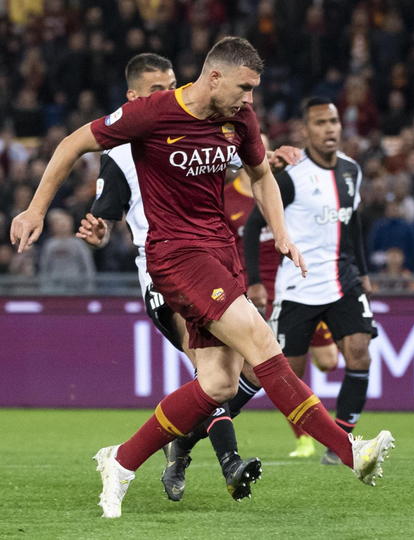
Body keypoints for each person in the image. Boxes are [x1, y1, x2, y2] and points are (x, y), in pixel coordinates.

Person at [10, 37, 394, 520]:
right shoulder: (152, 114)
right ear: (214, 77)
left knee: (218, 383)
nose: (250, 99)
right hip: (176, 256)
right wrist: (35, 210)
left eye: (253, 90)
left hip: (221, 251)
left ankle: (121, 461)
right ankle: (349, 450)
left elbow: (261, 175)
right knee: (262, 342)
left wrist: (281, 234)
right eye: (244, 88)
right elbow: (72, 144)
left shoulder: (239, 118)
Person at [74, 52, 275, 503]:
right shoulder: (122, 153)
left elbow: (247, 169)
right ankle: (230, 461)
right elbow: (104, 219)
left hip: (212, 262)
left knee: (249, 373)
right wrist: (98, 233)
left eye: (171, 86)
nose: (167, 95)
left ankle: (181, 444)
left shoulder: (201, 126)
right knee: (212, 368)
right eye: (155, 90)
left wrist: (273, 159)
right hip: (164, 271)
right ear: (133, 98)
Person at [244, 97, 377, 466]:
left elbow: (353, 222)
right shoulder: (291, 176)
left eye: (333, 121)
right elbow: (254, 226)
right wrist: (255, 281)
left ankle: (341, 439)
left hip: (343, 280)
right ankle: (210, 419)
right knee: (282, 373)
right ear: (306, 131)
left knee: (359, 351)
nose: (329, 129)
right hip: (298, 286)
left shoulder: (351, 170)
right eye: (320, 123)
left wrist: (364, 272)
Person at [222, 157, 341, 460]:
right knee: (276, 366)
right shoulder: (227, 197)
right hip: (254, 291)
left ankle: (207, 420)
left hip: (295, 285)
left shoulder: (281, 189)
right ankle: (303, 439)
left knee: (329, 360)